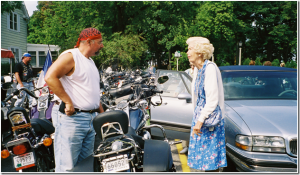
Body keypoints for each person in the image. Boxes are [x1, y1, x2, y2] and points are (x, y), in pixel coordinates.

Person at [45, 28, 105, 172]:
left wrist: (103, 117)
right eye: (100, 42)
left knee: (86, 166)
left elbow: (92, 94)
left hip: (90, 119)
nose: (102, 45)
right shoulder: (71, 56)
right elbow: (50, 77)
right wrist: (68, 101)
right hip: (73, 119)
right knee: (67, 167)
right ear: (89, 42)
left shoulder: (90, 62)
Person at [186, 37, 226, 172]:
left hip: (208, 121)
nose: (187, 52)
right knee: (202, 160)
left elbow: (212, 100)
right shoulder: (198, 69)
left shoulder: (210, 68)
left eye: (190, 49)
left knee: (210, 162)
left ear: (199, 52)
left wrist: (199, 121)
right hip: (201, 119)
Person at [180, 62, 195, 154]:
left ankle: (193, 147)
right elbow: (180, 84)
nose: (192, 67)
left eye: (193, 65)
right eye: (191, 65)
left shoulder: (201, 72)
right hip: (187, 99)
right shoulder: (187, 72)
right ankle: (185, 146)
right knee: (185, 123)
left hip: (196, 101)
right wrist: (177, 92)